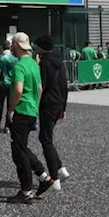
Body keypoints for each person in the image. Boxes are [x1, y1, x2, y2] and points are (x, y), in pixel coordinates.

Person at [7, 33, 53, 203]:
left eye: (12, 43)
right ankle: (43, 176)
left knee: (19, 152)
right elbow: (39, 88)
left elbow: (18, 90)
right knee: (21, 147)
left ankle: (26, 191)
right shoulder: (34, 64)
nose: (11, 46)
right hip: (31, 109)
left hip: (21, 110)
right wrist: (35, 105)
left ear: (17, 45)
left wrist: (11, 109)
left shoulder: (19, 66)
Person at [33, 34, 69, 191]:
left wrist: (35, 105)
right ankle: (60, 168)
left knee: (45, 139)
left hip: (47, 103)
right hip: (58, 103)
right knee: (47, 137)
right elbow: (64, 85)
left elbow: (42, 86)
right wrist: (64, 107)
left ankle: (54, 177)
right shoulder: (59, 62)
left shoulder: (44, 64)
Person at [0, 39, 17, 133]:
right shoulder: (14, 58)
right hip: (11, 84)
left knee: (0, 105)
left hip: (2, 83)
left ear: (2, 47)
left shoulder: (1, 57)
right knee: (10, 106)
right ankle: (8, 125)